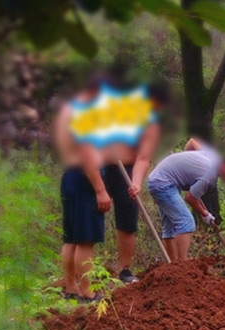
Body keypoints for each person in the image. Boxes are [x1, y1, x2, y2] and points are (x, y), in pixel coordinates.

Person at [100, 83, 167, 284]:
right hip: (100, 167)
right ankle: (84, 267)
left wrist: (136, 183)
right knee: (90, 210)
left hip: (127, 171)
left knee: (128, 214)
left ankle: (124, 270)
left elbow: (143, 157)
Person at [53, 81, 110, 302]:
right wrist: (101, 189)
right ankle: (86, 292)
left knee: (71, 239)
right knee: (85, 240)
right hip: (84, 181)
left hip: (71, 178)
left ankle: (71, 287)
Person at [147, 138, 225, 262]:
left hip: (160, 179)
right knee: (186, 222)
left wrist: (186, 160)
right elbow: (190, 198)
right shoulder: (210, 176)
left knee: (170, 228)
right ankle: (182, 266)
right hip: (163, 183)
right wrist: (205, 214)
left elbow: (192, 142)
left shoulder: (213, 156)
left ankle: (172, 267)